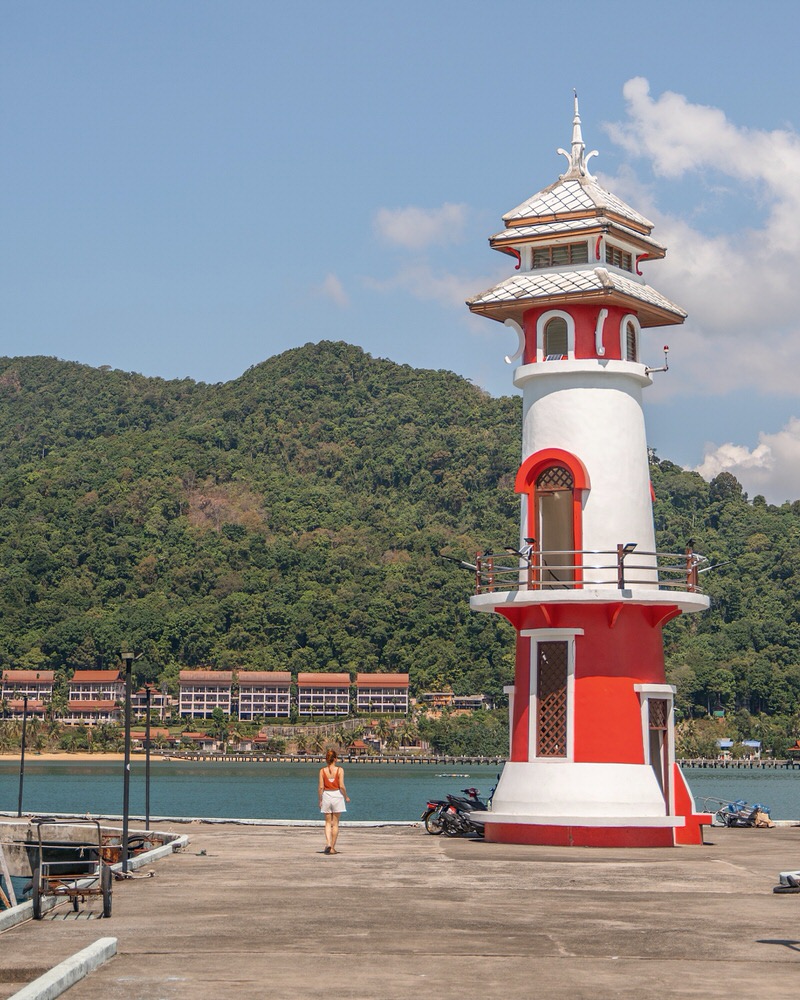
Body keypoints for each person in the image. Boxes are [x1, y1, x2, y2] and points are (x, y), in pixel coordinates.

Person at [318, 748, 350, 854]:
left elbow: (321, 787)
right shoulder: (340, 770)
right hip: (337, 795)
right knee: (335, 824)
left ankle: (328, 843)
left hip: (327, 795)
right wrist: (346, 796)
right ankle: (332, 847)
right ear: (335, 759)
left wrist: (320, 799)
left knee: (327, 823)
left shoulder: (322, 771)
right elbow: (341, 786)